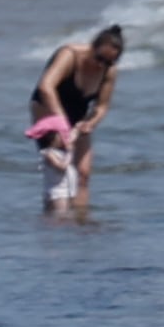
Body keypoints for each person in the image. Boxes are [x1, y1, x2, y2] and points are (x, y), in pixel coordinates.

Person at [30, 25, 125, 218]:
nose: (101, 66)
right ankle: (53, 219)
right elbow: (45, 87)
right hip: (48, 107)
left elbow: (101, 107)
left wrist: (90, 123)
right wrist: (61, 122)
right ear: (92, 47)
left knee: (83, 173)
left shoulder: (109, 72)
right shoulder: (70, 55)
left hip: (77, 116)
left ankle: (80, 222)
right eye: (99, 58)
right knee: (59, 168)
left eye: (108, 62)